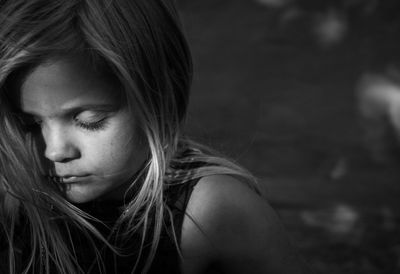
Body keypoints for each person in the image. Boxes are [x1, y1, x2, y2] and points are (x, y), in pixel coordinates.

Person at [0, 0, 312, 273]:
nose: (54, 151)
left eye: (89, 121)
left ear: (159, 98)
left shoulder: (210, 210)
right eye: (29, 124)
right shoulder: (15, 199)